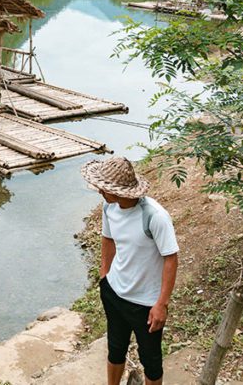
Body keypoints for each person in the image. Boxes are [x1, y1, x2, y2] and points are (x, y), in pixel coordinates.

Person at [81, 157, 179, 385]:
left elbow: (171, 259)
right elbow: (108, 239)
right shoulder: (109, 207)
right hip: (114, 293)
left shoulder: (154, 216)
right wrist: (105, 274)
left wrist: (161, 304)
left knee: (151, 362)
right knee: (115, 349)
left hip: (145, 304)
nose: (99, 191)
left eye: (103, 187)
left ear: (118, 191)